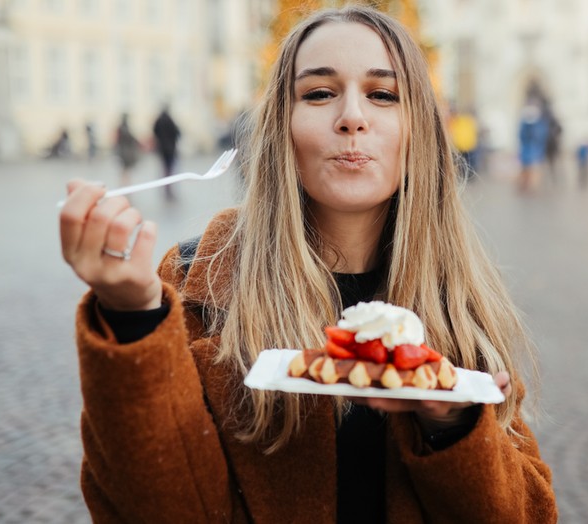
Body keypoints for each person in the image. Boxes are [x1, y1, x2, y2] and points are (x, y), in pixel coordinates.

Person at [59, 6, 556, 523]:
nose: (352, 117)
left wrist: (454, 425)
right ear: (282, 128)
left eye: (383, 95)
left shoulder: (458, 298)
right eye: (319, 93)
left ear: (420, 133)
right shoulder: (194, 280)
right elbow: (151, 508)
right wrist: (133, 315)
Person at [517, 100, 549, 192]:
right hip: (530, 150)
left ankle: (529, 186)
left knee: (531, 169)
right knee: (527, 169)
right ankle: (526, 186)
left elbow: (540, 137)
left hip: (533, 150)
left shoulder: (538, 123)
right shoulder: (531, 123)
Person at [153, 105, 182, 200]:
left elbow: (154, 131)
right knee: (170, 169)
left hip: (162, 148)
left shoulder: (159, 120)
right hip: (170, 148)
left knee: (164, 169)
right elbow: (177, 132)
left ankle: (166, 187)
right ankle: (169, 188)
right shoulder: (170, 120)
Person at [114, 113, 142, 186]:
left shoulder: (122, 127)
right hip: (125, 152)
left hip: (124, 151)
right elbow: (130, 138)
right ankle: (125, 184)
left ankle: (125, 184)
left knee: (125, 170)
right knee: (125, 169)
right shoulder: (124, 128)